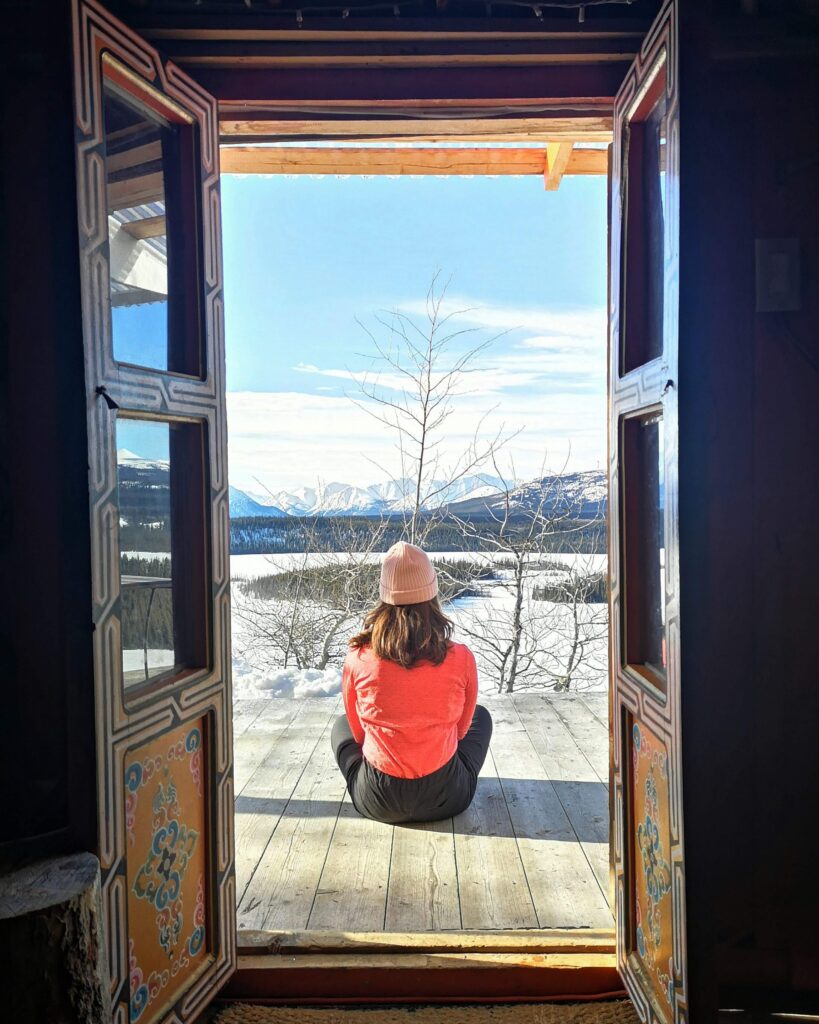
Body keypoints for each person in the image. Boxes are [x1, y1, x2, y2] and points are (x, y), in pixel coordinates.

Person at [331, 541, 493, 824]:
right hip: (448, 798)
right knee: (482, 717)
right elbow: (462, 730)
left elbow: (358, 734)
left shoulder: (358, 657)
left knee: (341, 726)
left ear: (384, 597)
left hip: (377, 800)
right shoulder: (461, 658)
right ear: (432, 595)